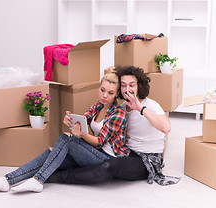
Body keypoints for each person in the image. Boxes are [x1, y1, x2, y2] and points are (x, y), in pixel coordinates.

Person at [0, 67, 129, 193]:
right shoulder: (98, 106)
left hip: (108, 159)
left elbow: (98, 142)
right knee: (51, 152)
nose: (104, 95)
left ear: (117, 94)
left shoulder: (118, 114)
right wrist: (71, 120)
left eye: (110, 93)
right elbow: (82, 120)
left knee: (67, 139)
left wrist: (81, 133)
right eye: (102, 90)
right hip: (94, 153)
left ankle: (38, 180)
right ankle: (7, 180)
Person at [46, 65, 181, 186]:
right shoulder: (122, 107)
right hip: (127, 154)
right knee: (85, 153)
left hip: (147, 160)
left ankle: (61, 177)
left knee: (109, 166)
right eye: (123, 85)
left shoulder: (151, 105)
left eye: (132, 85)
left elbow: (166, 128)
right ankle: (50, 169)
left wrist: (140, 108)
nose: (127, 89)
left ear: (139, 85)